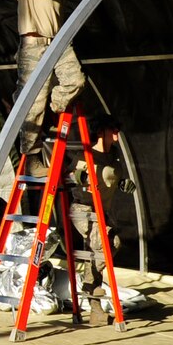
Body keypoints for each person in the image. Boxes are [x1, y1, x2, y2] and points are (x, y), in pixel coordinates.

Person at [10, 0, 87, 168]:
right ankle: (30, 156)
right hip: (32, 44)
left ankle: (54, 112)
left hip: (58, 42)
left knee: (75, 80)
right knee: (31, 104)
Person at [59, 115, 133, 323]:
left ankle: (93, 301)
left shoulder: (114, 154)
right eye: (113, 131)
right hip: (83, 209)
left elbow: (110, 177)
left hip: (102, 210)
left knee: (113, 243)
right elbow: (68, 176)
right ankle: (92, 293)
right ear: (101, 132)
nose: (117, 135)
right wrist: (82, 178)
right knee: (103, 241)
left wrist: (122, 184)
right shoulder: (87, 154)